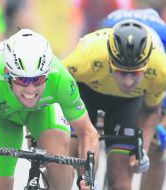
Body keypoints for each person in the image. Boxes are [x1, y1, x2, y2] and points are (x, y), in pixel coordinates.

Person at [0, 28, 99, 190]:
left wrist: (88, 178)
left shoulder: (61, 78)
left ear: (47, 74)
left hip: (42, 111)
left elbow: (88, 132)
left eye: (39, 79)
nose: (30, 89)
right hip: (3, 117)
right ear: (7, 74)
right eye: (21, 80)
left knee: (59, 164)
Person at [63, 19, 166, 190]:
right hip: (86, 93)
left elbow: (151, 110)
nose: (127, 81)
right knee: (70, 165)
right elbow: (53, 84)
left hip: (127, 104)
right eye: (120, 71)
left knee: (121, 183)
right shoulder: (88, 56)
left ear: (147, 66)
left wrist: (143, 148)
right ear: (109, 61)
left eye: (136, 73)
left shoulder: (160, 68)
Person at [100, 8, 166, 190]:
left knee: (157, 143)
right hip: (110, 29)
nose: (129, 77)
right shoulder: (106, 35)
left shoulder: (161, 64)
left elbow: (155, 108)